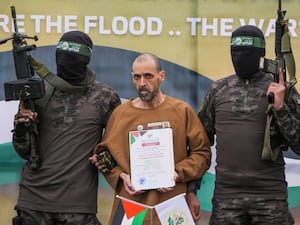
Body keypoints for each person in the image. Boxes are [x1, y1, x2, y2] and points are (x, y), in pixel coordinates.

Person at [12, 31, 121, 225]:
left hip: (77, 208)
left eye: (72, 58)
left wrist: (104, 159)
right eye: (61, 57)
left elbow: (118, 146)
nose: (65, 62)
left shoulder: (105, 97)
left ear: (85, 60)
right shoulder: (39, 92)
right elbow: (24, 150)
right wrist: (22, 124)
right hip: (33, 205)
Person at [89, 52, 212, 225]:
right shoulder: (120, 114)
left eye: (148, 76)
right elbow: (103, 154)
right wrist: (122, 177)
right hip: (131, 206)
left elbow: (202, 152)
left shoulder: (181, 111)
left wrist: (177, 173)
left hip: (172, 205)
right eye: (137, 77)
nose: (142, 83)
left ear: (161, 76)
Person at [198, 25, 300, 225]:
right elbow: (199, 143)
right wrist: (191, 189)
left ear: (260, 54)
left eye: (246, 53)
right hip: (227, 199)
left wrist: (280, 108)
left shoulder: (280, 90)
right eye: (234, 52)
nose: (239, 58)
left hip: (270, 199)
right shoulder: (218, 90)